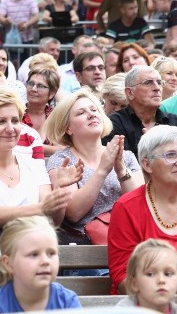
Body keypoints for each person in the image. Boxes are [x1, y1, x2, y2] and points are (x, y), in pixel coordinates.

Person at [108, 125, 177, 294]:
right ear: (147, 164)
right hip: (146, 309)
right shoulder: (127, 207)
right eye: (170, 155)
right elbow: (123, 275)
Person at [0, 87, 74, 231]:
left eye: (15, 120)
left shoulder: (33, 165)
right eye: (1, 122)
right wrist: (38, 209)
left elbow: (52, 221)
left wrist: (59, 190)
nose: (10, 128)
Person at [44, 89, 143, 244]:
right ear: (67, 128)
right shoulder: (62, 160)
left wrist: (122, 171)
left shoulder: (126, 156)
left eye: (94, 110)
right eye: (81, 113)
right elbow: (74, 213)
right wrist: (102, 170)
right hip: (86, 253)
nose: (91, 114)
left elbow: (139, 207)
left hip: (128, 242)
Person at [105, 65, 177, 156]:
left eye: (159, 83)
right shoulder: (114, 124)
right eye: (148, 83)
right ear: (130, 93)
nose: (157, 88)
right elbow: (121, 165)